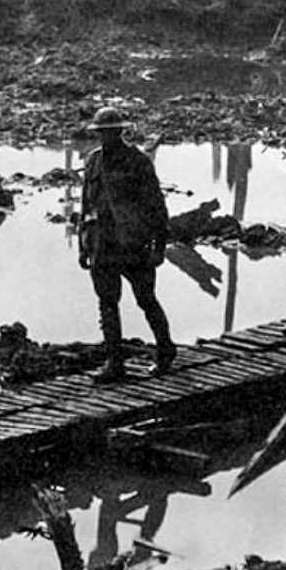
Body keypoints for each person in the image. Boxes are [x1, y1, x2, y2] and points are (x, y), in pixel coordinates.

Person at [78, 106, 174, 383]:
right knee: (107, 305)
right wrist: (83, 246)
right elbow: (87, 206)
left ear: (121, 132)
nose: (106, 137)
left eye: (111, 132)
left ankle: (165, 351)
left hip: (133, 244)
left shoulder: (138, 161)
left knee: (146, 299)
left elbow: (156, 205)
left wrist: (159, 246)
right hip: (102, 244)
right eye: (101, 133)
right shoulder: (93, 162)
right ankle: (114, 363)